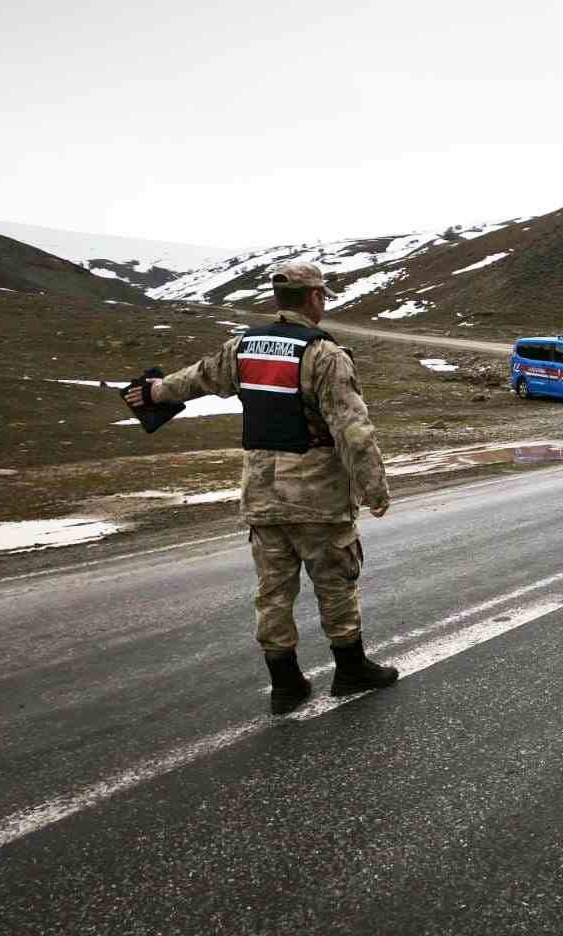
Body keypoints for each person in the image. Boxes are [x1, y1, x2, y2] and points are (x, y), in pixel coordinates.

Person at [123, 262, 398, 714]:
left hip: (261, 494)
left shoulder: (243, 347)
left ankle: (285, 684)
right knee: (335, 583)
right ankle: (350, 670)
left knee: (273, 590)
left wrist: (154, 393)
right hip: (316, 495)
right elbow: (352, 430)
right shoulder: (324, 355)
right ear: (315, 298)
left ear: (278, 299)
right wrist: (375, 489)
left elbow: (198, 377)